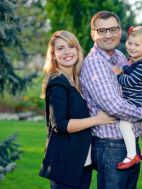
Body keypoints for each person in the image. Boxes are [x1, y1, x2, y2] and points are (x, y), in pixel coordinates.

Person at [79, 11, 142, 189]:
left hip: (129, 142)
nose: (108, 35)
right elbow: (114, 106)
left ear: (120, 31)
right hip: (110, 146)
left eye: (112, 29)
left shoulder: (119, 56)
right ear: (93, 34)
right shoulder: (95, 63)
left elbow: (134, 81)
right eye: (102, 31)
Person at [39, 30, 116, 189]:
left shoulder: (77, 79)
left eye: (71, 46)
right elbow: (60, 125)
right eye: (60, 48)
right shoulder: (57, 83)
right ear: (53, 55)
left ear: (77, 50)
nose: (67, 52)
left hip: (82, 161)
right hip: (65, 163)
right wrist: (97, 120)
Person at [112, 26, 142, 169]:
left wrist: (118, 74)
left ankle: (132, 154)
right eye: (130, 43)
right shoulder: (134, 62)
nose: (132, 47)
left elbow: (129, 81)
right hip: (139, 99)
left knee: (124, 123)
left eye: (137, 45)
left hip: (137, 100)